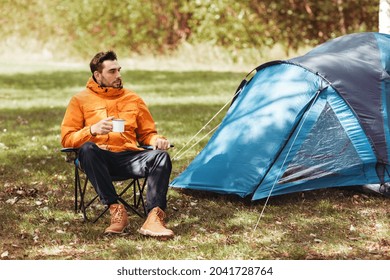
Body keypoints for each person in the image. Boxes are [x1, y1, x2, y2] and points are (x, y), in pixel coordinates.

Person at [61, 50, 174, 238]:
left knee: (161, 157)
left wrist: (157, 140)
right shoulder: (79, 100)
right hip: (99, 159)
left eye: (119, 70)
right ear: (98, 75)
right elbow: (67, 139)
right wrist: (92, 130)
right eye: (112, 71)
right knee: (88, 148)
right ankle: (116, 210)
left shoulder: (133, 99)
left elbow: (147, 133)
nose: (118, 75)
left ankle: (154, 218)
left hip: (129, 157)